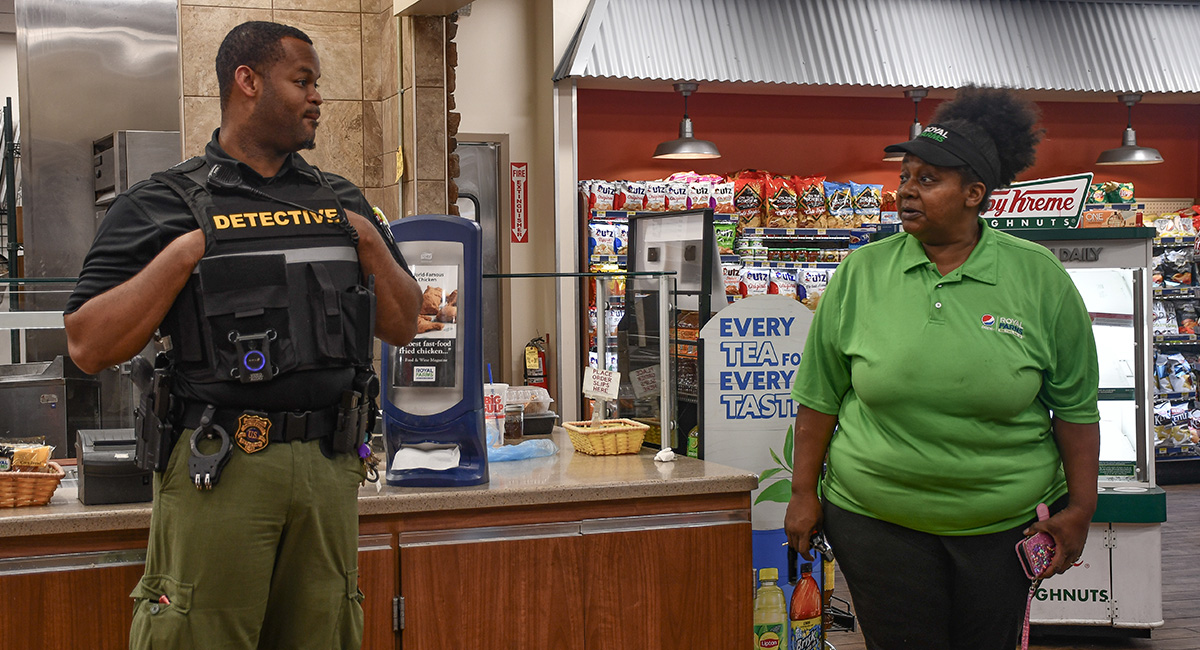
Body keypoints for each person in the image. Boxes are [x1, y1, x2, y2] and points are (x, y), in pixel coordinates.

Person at [64, 21, 421, 649]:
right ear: (247, 81)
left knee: (326, 633)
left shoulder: (339, 201)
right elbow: (88, 344)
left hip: (328, 468)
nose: (317, 98)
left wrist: (366, 238)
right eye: (303, 81)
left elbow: (402, 323)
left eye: (318, 84)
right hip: (221, 466)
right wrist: (185, 255)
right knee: (197, 634)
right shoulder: (163, 202)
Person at [783, 86, 1100, 650]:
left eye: (928, 179)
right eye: (905, 176)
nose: (906, 190)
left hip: (1004, 528)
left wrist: (1081, 508)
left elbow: (1075, 410)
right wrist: (803, 492)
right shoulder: (861, 273)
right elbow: (820, 397)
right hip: (875, 519)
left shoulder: (1039, 279)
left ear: (974, 193)